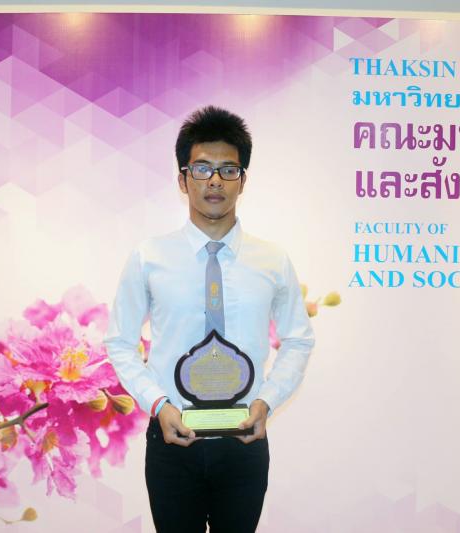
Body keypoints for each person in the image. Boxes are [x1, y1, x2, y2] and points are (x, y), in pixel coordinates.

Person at [104, 106, 314, 533]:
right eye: (202, 168)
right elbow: (120, 342)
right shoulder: (149, 257)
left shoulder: (272, 260)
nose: (215, 180)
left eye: (228, 169)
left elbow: (299, 339)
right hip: (172, 441)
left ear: (242, 180)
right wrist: (157, 404)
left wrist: (266, 401)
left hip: (243, 442)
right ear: (183, 180)